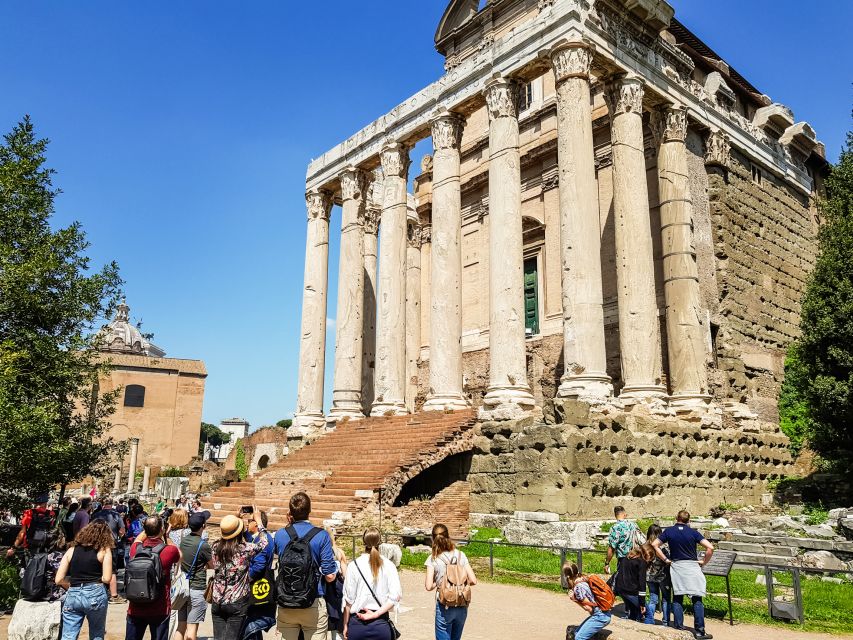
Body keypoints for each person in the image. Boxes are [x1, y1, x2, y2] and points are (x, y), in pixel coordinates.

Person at [273, 492, 337, 640]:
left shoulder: (280, 534)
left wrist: (288, 524)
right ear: (310, 510)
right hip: (313, 600)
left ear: (290, 512)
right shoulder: (321, 536)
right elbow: (329, 576)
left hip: (286, 600)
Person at [652, 511, 715, 640]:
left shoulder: (669, 531)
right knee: (697, 599)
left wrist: (665, 559)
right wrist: (704, 562)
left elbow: (655, 544)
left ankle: (679, 628)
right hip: (692, 566)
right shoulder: (693, 533)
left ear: (677, 518)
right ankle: (700, 631)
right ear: (688, 520)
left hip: (677, 566)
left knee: (678, 598)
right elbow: (710, 547)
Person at [210, 509, 270, 640]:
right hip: (237, 601)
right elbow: (265, 542)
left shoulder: (215, 547)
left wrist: (233, 519)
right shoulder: (245, 549)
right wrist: (259, 522)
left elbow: (225, 538)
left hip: (217, 600)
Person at [54, 520, 114, 640]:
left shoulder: (71, 550)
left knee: (68, 635)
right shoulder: (104, 550)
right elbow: (107, 578)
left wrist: (70, 584)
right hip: (95, 592)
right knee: (96, 633)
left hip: (73, 593)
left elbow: (58, 579)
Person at [126, 516, 182, 640]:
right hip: (160, 606)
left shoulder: (135, 549)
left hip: (136, 605)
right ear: (162, 529)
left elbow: (138, 539)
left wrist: (148, 529)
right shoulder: (170, 550)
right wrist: (166, 535)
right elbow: (180, 555)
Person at [342, 528, 401, 640]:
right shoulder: (389, 565)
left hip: (357, 624)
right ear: (380, 543)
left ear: (363, 542)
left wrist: (345, 624)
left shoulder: (353, 565)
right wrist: (376, 614)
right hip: (381, 624)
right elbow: (395, 597)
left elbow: (348, 600)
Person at [424, 524, 477, 640]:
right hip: (462, 603)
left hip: (445, 604)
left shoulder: (433, 558)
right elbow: (473, 580)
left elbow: (428, 586)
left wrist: (439, 583)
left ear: (433, 538)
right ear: (448, 536)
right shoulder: (460, 555)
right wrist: (458, 582)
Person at [174, 513, 213, 640]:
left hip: (183, 588)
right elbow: (212, 565)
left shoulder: (183, 541)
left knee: (181, 627)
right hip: (197, 587)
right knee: (192, 630)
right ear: (203, 526)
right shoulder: (203, 545)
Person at [242, 510, 276, 640]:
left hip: (256, 585)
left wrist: (244, 579)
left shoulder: (264, 539)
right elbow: (249, 539)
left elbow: (258, 566)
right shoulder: (258, 538)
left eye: (250, 521)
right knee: (254, 630)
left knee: (251, 626)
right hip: (257, 586)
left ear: (256, 524)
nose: (247, 523)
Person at [562, 563, 612, 640]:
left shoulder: (578, 588)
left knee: (579, 638)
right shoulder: (584, 578)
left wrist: (574, 599)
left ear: (567, 576)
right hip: (604, 613)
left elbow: (589, 608)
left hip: (600, 617)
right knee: (576, 633)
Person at [91, 496, 126, 604]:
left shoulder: (96, 515)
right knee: (112, 570)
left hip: (97, 545)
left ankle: (97, 594)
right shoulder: (116, 515)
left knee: (97, 569)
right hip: (111, 545)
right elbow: (122, 530)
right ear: (112, 504)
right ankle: (114, 595)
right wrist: (119, 536)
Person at [6, 493, 56, 559]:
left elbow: (22, 532)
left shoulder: (29, 513)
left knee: (29, 565)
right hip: (45, 547)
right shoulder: (51, 514)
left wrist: (14, 547)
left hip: (30, 546)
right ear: (46, 503)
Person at [643, 524, 672, 626]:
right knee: (666, 599)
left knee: (653, 599)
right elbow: (668, 559)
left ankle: (649, 619)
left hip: (649, 576)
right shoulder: (663, 545)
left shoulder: (644, 546)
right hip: (663, 576)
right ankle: (665, 621)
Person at [614, 544, 651, 621]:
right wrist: (642, 603)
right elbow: (642, 584)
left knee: (634, 612)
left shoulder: (625, 559)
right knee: (648, 614)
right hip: (631, 592)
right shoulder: (641, 562)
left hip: (621, 590)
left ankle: (632, 624)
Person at [604, 506, 639, 580]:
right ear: (624, 514)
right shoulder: (633, 525)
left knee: (624, 584)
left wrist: (607, 563)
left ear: (615, 515)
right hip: (636, 558)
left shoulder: (615, 528)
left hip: (624, 561)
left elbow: (612, 548)